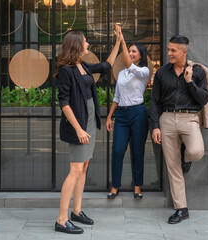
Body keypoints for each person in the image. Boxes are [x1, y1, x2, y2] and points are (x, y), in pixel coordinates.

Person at [55, 28, 121, 234]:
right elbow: (64, 103)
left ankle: (76, 211)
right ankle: (61, 219)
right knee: (75, 170)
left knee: (83, 168)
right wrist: (79, 130)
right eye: (84, 42)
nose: (87, 44)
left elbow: (106, 65)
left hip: (89, 120)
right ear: (76, 45)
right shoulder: (66, 70)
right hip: (79, 125)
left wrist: (118, 41)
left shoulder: (81, 65)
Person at [150, 35, 208, 224]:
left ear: (184, 52)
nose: (169, 53)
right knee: (173, 167)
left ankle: (186, 155)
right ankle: (181, 209)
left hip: (189, 118)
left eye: (173, 50)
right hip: (166, 118)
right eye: (168, 49)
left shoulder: (198, 72)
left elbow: (204, 99)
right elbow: (154, 101)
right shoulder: (161, 73)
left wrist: (190, 82)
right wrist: (155, 126)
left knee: (196, 151)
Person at [106, 27, 149, 200]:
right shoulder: (122, 74)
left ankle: (137, 186)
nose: (131, 53)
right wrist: (110, 116)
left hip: (138, 114)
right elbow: (117, 96)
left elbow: (129, 65)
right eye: (129, 50)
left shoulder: (143, 71)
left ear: (140, 55)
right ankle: (115, 185)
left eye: (134, 51)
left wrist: (122, 40)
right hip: (122, 116)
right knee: (117, 150)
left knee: (137, 152)